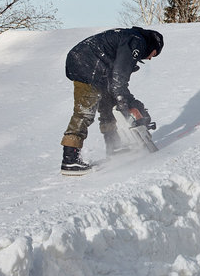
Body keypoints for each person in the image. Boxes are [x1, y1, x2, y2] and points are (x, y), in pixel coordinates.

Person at [60, 27, 164, 175]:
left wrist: (129, 102)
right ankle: (70, 159)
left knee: (108, 104)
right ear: (153, 45)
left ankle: (114, 146)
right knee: (85, 111)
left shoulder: (131, 38)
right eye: (154, 54)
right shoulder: (136, 42)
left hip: (91, 63)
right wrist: (124, 104)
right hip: (86, 64)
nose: (150, 58)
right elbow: (119, 77)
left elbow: (116, 81)